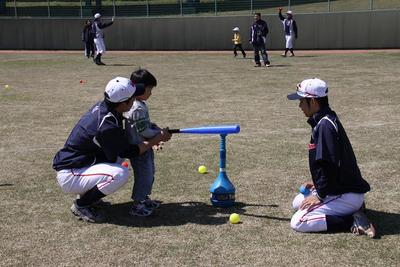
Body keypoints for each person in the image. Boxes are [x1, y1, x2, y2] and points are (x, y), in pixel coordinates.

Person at [53, 77, 172, 223]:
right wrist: (156, 139)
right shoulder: (107, 126)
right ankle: (81, 205)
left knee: (117, 159)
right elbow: (130, 152)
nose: (135, 100)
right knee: (119, 173)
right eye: (133, 98)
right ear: (123, 103)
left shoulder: (107, 108)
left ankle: (88, 197)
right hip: (70, 174)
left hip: (82, 164)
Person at [287, 78, 376, 238]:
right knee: (297, 203)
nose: (299, 105)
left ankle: (352, 219)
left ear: (313, 101)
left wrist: (320, 195)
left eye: (301, 100)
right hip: (340, 188)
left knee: (298, 221)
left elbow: (330, 165)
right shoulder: (323, 119)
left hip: (345, 193)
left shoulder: (325, 125)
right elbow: (330, 163)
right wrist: (317, 184)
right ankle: (354, 207)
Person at [124, 69, 166, 216]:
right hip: (139, 148)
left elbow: (143, 125)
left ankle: (144, 198)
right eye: (149, 89)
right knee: (144, 175)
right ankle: (137, 204)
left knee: (149, 172)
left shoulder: (138, 104)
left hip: (145, 147)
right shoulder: (137, 107)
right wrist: (159, 135)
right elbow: (143, 131)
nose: (151, 93)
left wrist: (153, 127)